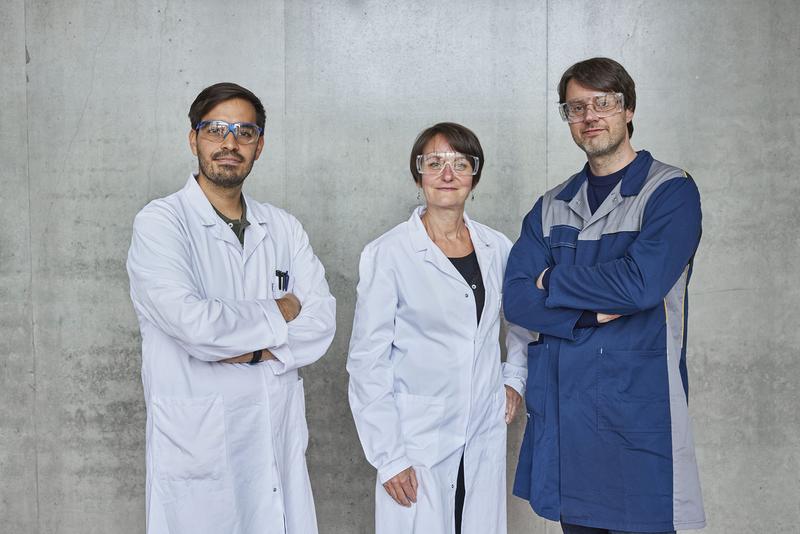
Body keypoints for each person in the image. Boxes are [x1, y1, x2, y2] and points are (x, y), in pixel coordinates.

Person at [504, 57, 706, 534]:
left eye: (603, 103)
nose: (590, 115)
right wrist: (588, 315)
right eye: (576, 108)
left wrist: (552, 281)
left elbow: (641, 284)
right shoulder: (551, 205)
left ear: (628, 108)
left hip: (639, 414)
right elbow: (515, 298)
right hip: (568, 420)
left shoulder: (670, 192)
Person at [126, 82, 336, 534]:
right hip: (198, 448)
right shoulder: (161, 223)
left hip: (274, 439)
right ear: (193, 139)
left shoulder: (283, 227)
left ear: (259, 146)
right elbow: (194, 325)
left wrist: (254, 349)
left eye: (244, 132)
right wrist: (280, 310)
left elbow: (322, 323)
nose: (229, 143)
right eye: (215, 129)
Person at [347, 122, 532, 534]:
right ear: (419, 176)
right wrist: (389, 456)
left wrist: (514, 378)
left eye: (460, 163)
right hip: (416, 439)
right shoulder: (388, 253)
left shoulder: (497, 247)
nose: (447, 175)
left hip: (482, 428)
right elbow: (366, 362)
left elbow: (521, 324)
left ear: (474, 176)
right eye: (435, 163)